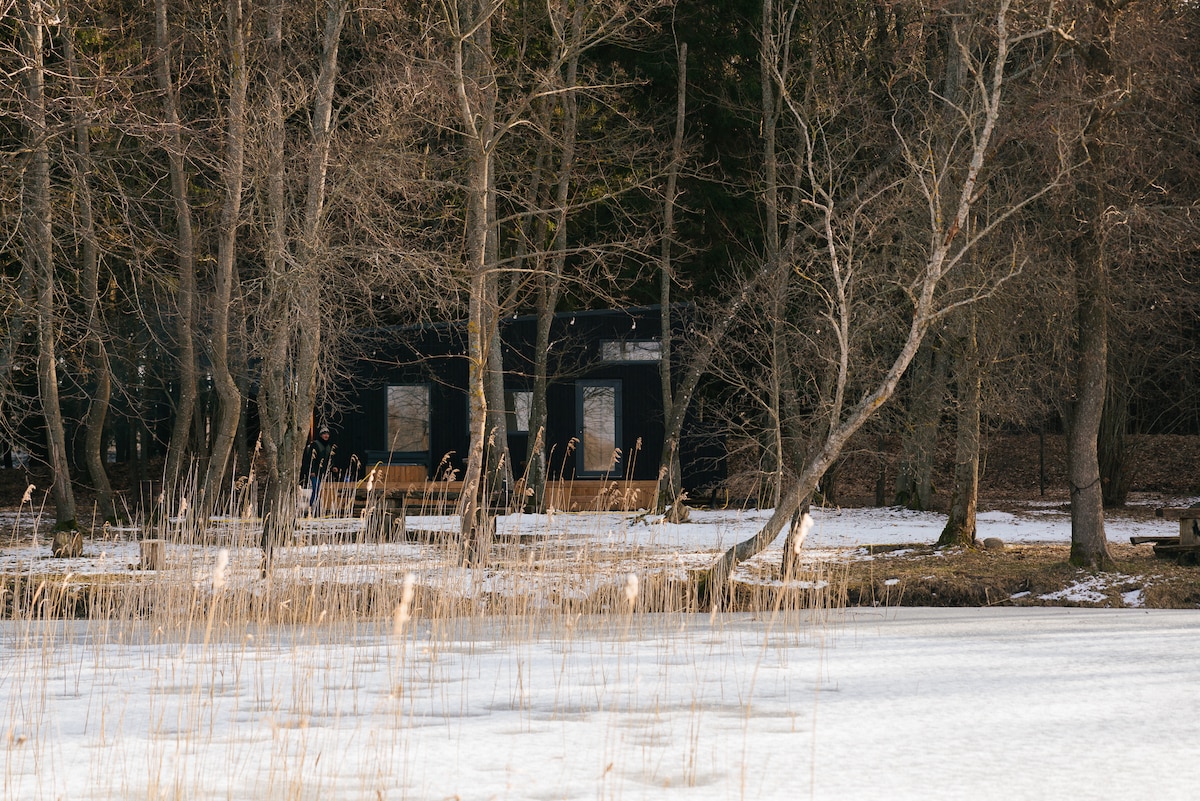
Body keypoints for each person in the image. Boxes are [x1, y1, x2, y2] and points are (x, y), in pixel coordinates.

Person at [307, 426, 336, 515]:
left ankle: (318, 509)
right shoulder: (315, 444)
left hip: (323, 472)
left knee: (319, 490)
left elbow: (330, 459)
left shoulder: (329, 446)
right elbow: (310, 459)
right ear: (320, 435)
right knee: (316, 489)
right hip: (315, 472)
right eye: (324, 434)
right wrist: (312, 470)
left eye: (327, 434)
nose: (326, 436)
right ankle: (311, 508)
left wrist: (333, 467)